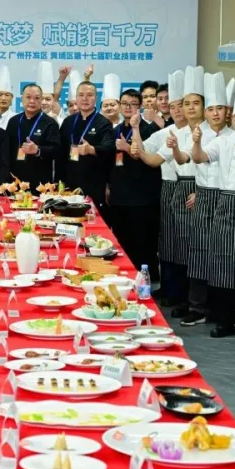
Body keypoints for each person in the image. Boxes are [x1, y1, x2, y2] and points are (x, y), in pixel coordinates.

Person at [187, 80, 235, 338]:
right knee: (223, 267)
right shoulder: (223, 142)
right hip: (224, 206)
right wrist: (196, 142)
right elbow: (199, 157)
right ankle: (225, 321)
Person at [169, 72, 234, 327]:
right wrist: (175, 147)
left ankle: (224, 310)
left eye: (220, 109)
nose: (215, 114)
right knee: (198, 253)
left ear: (227, 112)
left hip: (228, 198)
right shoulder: (197, 132)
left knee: (225, 255)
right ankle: (197, 307)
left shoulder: (234, 136)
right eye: (211, 109)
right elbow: (185, 159)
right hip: (204, 196)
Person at [139, 70, 191, 311]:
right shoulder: (166, 133)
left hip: (190, 189)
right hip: (169, 188)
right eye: (173, 106)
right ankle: (171, 289)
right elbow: (144, 153)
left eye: (182, 105)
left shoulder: (198, 132)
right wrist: (135, 135)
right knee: (168, 241)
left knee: (186, 244)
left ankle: (185, 296)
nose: (178, 110)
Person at [108, 88, 161, 269]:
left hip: (141, 195)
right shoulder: (115, 130)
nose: (128, 107)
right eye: (124, 103)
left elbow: (146, 157)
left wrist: (126, 147)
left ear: (139, 107)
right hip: (119, 194)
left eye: (133, 104)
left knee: (142, 241)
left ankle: (146, 277)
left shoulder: (149, 129)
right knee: (121, 238)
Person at [56, 81, 114, 208]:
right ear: (76, 98)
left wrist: (91, 149)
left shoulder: (104, 123)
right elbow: (60, 154)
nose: (85, 99)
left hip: (94, 182)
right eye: (81, 95)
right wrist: (58, 182)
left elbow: (109, 148)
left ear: (96, 98)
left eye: (89, 95)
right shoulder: (68, 121)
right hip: (69, 182)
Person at [6, 83, 60, 188]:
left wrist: (38, 150)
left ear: (41, 100)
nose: (32, 101)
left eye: (37, 98)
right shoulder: (13, 121)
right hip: (15, 181)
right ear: (22, 99)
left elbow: (56, 150)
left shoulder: (50, 123)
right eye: (28, 97)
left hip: (40, 183)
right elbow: (6, 150)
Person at [39, 61, 64, 125]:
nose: (44, 102)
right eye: (41, 99)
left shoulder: (61, 122)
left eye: (48, 99)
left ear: (53, 101)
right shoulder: (26, 120)